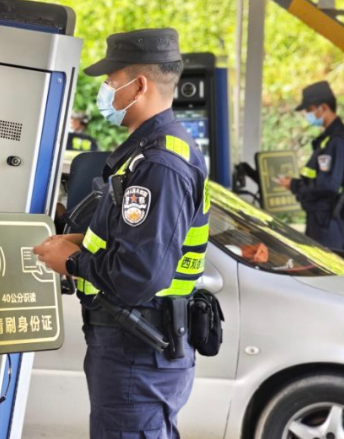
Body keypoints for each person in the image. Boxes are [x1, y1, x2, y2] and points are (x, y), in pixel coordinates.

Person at [33, 28, 209, 438]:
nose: (106, 92)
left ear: (139, 86)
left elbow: (140, 274)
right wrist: (80, 241)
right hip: (137, 348)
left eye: (111, 82)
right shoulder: (156, 152)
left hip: (137, 351)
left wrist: (72, 262)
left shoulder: (158, 163)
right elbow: (142, 241)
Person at [276, 81, 344, 251]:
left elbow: (328, 185)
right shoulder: (328, 140)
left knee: (327, 266)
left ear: (323, 107)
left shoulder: (337, 141)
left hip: (330, 223)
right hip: (322, 219)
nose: (307, 114)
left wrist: (294, 185)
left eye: (310, 109)